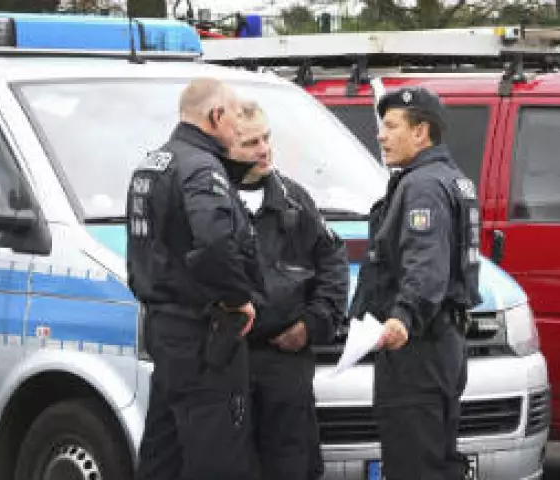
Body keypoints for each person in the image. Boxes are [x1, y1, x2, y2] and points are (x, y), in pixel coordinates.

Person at [126, 78, 264, 480]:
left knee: (163, 454)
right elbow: (215, 244)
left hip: (165, 329)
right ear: (215, 116)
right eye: (236, 114)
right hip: (203, 336)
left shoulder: (152, 164)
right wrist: (238, 298)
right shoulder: (202, 168)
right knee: (217, 458)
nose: (240, 125)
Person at [348, 86, 483, 480]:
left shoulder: (422, 185)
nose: (380, 135)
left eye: (391, 126)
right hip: (442, 346)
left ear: (421, 132)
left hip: (417, 351)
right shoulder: (450, 179)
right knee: (437, 459)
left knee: (413, 464)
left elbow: (426, 265)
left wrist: (403, 317)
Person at [229, 100, 349, 480]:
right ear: (225, 147)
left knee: (292, 465)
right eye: (250, 143)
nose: (264, 149)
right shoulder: (208, 199)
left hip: (285, 363)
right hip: (228, 362)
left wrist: (313, 324)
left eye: (266, 138)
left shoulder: (294, 199)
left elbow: (333, 262)